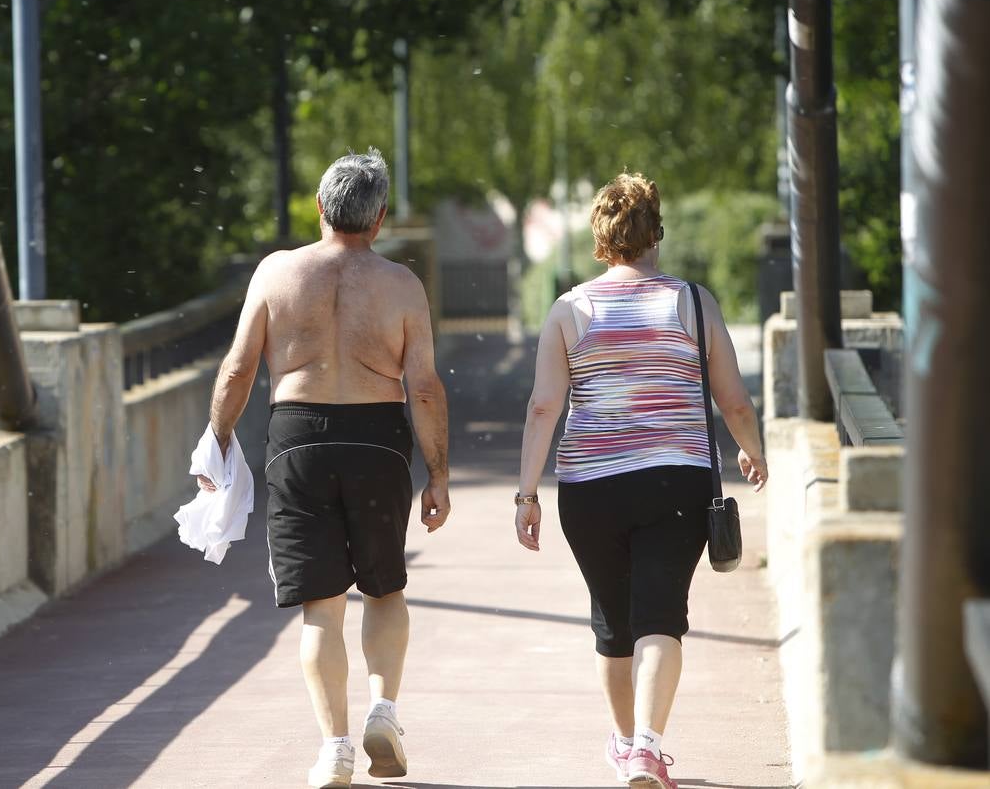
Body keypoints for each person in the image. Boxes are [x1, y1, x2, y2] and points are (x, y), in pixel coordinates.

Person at [200, 148, 451, 789]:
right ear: (381, 217)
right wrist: (438, 475)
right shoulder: (402, 285)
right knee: (385, 588)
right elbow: (422, 386)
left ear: (319, 208)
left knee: (322, 604)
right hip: (378, 439)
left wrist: (216, 441)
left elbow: (237, 368)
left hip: (298, 438)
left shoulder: (277, 274)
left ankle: (335, 748)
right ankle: (385, 713)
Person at [513, 173, 767, 789]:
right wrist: (753, 451)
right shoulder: (692, 302)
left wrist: (527, 493)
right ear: (656, 232)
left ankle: (626, 745)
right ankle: (648, 748)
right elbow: (732, 399)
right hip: (674, 482)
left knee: (612, 621)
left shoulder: (570, 308)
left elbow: (545, 407)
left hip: (589, 488)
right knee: (661, 615)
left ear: (601, 238)